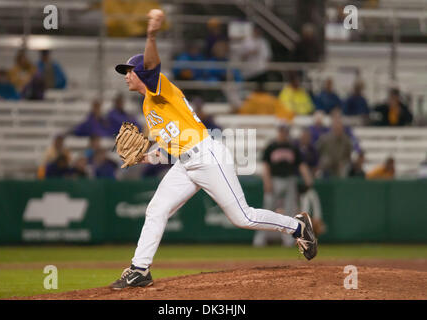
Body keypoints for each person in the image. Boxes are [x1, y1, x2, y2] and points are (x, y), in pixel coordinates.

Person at [110, 9, 318, 289]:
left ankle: (297, 227)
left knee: (242, 217)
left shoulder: (160, 88)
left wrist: (151, 34)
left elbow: (151, 63)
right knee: (156, 210)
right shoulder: (148, 107)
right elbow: (169, 146)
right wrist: (144, 156)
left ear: (142, 74)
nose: (126, 75)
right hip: (184, 164)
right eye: (124, 72)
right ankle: (140, 269)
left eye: (129, 71)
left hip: (207, 157)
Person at [254, 124, 313, 247]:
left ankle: (288, 241)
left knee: (290, 210)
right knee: (267, 209)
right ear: (278, 132)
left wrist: (308, 179)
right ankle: (260, 239)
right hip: (274, 179)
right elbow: (266, 166)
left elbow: (301, 164)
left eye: (285, 131)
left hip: (290, 179)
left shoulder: (292, 147)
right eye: (282, 131)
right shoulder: (271, 146)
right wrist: (267, 181)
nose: (283, 133)